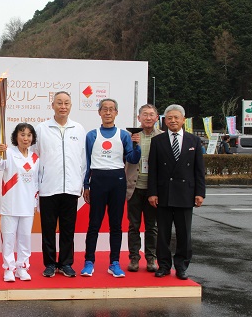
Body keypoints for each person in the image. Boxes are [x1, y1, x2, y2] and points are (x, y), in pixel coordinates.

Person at [81, 98, 141, 278]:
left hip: (117, 180)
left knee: (116, 225)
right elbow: (87, 162)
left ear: (116, 113)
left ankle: (114, 262)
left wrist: (136, 145)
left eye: (111, 109)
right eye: (104, 109)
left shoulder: (123, 135)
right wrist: (86, 185)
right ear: (99, 112)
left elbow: (132, 159)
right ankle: (89, 261)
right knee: (94, 224)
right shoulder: (92, 135)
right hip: (98, 180)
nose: (108, 112)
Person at [147, 104, 205, 280]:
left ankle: (181, 266)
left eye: (176, 118)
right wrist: (152, 192)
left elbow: (199, 170)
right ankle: (164, 265)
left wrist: (200, 193)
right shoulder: (157, 141)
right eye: (169, 118)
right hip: (163, 193)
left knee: (184, 233)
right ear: (165, 120)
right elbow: (153, 170)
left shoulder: (193, 141)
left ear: (183, 120)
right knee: (163, 233)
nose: (173, 121)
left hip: (186, 194)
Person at [34, 91, 86, 278]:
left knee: (67, 229)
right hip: (48, 187)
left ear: (70, 106)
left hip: (71, 188)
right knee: (48, 229)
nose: (63, 106)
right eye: (59, 103)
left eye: (66, 103)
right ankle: (49, 264)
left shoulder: (78, 129)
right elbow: (34, 157)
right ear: (52, 105)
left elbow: (83, 159)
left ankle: (65, 263)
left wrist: (80, 182)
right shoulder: (41, 129)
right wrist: (36, 184)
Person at [0, 123, 39, 282]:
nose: (26, 138)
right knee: (9, 238)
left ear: (32, 138)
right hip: (10, 204)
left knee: (25, 238)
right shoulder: (9, 153)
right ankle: (8, 269)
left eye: (29, 135)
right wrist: (0, 153)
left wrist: (35, 203)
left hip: (27, 205)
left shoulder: (35, 158)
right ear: (16, 137)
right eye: (22, 134)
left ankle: (22, 268)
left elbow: (36, 183)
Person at [125, 104, 163, 273]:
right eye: (144, 115)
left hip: (153, 189)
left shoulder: (163, 137)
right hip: (133, 187)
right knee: (133, 225)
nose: (148, 118)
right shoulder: (130, 136)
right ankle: (134, 258)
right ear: (138, 118)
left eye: (151, 115)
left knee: (152, 226)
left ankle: (151, 258)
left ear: (157, 118)